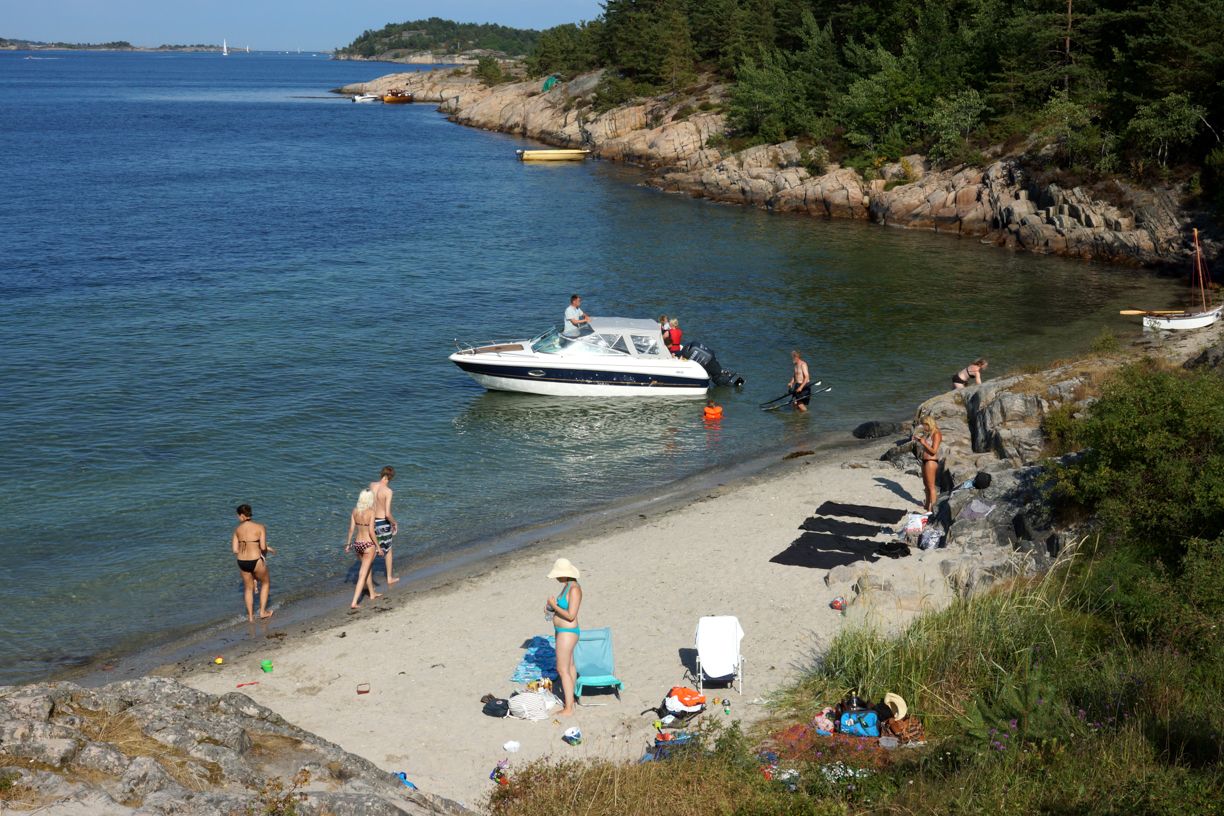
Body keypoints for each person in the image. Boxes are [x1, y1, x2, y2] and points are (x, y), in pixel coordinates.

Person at [545, 557, 583, 716]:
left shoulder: (574, 589)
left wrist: (554, 606)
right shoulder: (567, 586)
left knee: (562, 669)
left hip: (568, 632)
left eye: (558, 575)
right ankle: (571, 700)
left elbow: (571, 615)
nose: (557, 578)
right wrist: (551, 609)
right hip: (563, 632)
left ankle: (568, 708)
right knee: (570, 666)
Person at [231, 504, 274, 621]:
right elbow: (263, 547)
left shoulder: (237, 529)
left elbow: (235, 550)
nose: (237, 517)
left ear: (242, 515)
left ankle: (250, 617)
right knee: (265, 583)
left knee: (248, 588)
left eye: (238, 515)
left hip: (241, 561)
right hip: (255, 560)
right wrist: (267, 549)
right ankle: (262, 612)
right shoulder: (260, 527)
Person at [344, 488, 383, 609]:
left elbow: (351, 529)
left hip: (357, 544)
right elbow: (371, 532)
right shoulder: (371, 512)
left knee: (368, 569)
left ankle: (372, 594)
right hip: (368, 545)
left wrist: (348, 544)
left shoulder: (355, 511)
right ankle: (354, 602)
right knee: (363, 574)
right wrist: (378, 547)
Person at [369, 466, 399, 585]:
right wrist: (394, 522)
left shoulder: (372, 485)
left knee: (371, 550)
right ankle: (389, 578)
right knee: (389, 550)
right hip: (382, 522)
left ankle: (367, 579)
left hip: (371, 521)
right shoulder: (388, 491)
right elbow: (387, 513)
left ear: (381, 474)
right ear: (390, 477)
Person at [914, 416, 942, 511]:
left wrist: (924, 443)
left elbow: (934, 451)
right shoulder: (929, 433)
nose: (923, 427)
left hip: (931, 461)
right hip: (925, 460)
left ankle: (932, 509)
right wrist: (919, 440)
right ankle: (926, 505)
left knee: (931, 486)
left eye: (924, 425)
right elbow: (926, 445)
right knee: (925, 484)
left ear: (928, 424)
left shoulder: (937, 434)